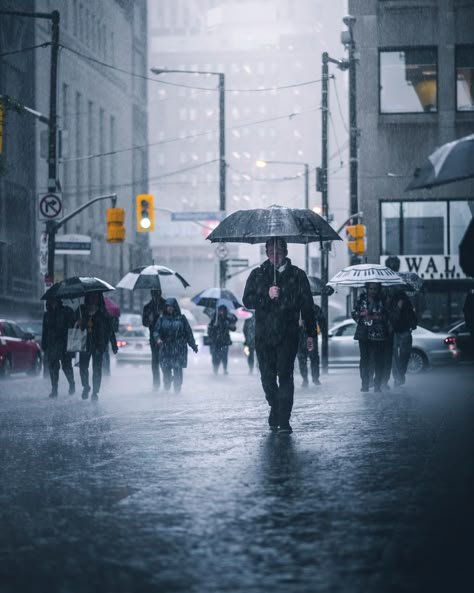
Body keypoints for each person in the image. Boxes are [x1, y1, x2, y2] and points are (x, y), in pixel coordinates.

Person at [243, 237, 317, 434]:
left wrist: (311, 333)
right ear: (266, 253)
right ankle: (276, 406)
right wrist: (266, 295)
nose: (274, 257)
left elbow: (307, 306)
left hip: (287, 334)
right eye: (271, 252)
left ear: (285, 252)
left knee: (285, 375)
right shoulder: (258, 274)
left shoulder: (297, 275)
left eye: (278, 252)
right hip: (264, 335)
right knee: (267, 378)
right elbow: (247, 300)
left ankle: (284, 418)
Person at [76, 291, 118, 400]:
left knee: (97, 369)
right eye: (91, 296)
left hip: (98, 344)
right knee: (83, 367)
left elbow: (110, 331)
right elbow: (72, 325)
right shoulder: (81, 311)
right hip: (85, 343)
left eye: (95, 296)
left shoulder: (104, 313)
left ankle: (95, 392)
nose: (93, 299)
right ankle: (86, 386)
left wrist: (114, 345)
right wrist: (79, 322)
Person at [153, 297, 198, 393]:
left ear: (175, 307)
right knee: (166, 370)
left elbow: (188, 333)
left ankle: (177, 389)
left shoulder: (182, 319)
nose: (170, 308)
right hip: (165, 348)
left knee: (177, 369)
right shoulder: (161, 319)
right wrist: (158, 339)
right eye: (168, 306)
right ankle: (167, 385)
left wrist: (193, 345)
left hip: (179, 348)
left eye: (171, 306)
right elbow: (156, 331)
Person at [352, 282, 390, 393]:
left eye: (375, 289)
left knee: (379, 360)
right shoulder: (361, 299)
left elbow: (387, 316)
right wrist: (362, 314)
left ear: (378, 289)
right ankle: (365, 384)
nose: (373, 291)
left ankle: (377, 385)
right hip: (363, 333)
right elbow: (354, 313)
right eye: (371, 288)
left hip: (378, 334)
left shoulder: (382, 300)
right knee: (364, 360)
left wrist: (374, 316)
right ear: (367, 288)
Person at [41, 296, 76, 398]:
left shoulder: (66, 311)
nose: (52, 302)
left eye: (53, 299)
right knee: (53, 367)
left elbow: (72, 326)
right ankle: (54, 389)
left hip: (64, 344)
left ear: (58, 300)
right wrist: (44, 344)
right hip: (52, 344)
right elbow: (45, 330)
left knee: (66, 366)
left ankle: (71, 384)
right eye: (50, 300)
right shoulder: (47, 315)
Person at [390, 288, 417, 387]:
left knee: (404, 355)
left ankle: (400, 376)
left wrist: (412, 324)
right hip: (394, 331)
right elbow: (391, 316)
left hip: (404, 331)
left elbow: (412, 316)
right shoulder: (391, 301)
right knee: (394, 357)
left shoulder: (407, 302)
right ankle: (398, 377)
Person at [142, 289, 166, 389]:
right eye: (153, 293)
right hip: (153, 337)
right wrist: (149, 320)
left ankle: (166, 380)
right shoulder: (147, 307)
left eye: (157, 293)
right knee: (155, 360)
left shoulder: (166, 305)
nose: (155, 295)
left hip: (165, 337)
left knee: (164, 360)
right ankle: (156, 383)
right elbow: (144, 323)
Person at [297, 302, 325, 387]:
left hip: (311, 337)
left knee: (314, 358)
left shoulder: (314, 308)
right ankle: (305, 379)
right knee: (302, 359)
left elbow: (321, 321)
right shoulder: (296, 309)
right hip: (300, 338)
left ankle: (315, 378)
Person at [207, 303, 237, 375]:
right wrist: (214, 327)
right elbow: (209, 330)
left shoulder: (227, 319)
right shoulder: (214, 319)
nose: (222, 312)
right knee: (215, 356)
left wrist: (231, 325)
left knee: (224, 356)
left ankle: (224, 369)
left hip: (224, 341)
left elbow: (233, 327)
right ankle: (215, 368)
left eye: (223, 311)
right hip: (216, 341)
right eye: (220, 310)